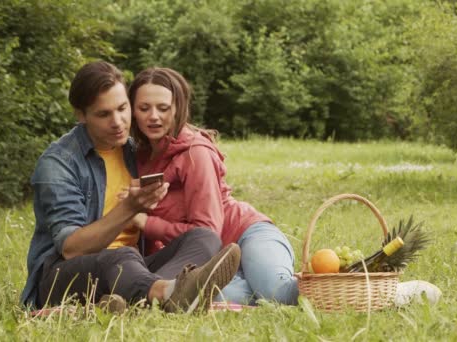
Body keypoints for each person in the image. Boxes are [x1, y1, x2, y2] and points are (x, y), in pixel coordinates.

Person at [20, 61, 241, 313]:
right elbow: (72, 249)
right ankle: (164, 294)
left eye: (123, 108)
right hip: (63, 277)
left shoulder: (134, 150)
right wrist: (130, 207)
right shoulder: (59, 163)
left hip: (132, 269)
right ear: (81, 115)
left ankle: (152, 298)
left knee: (204, 237)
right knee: (121, 255)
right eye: (104, 114)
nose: (118, 122)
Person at [128, 67, 299, 306]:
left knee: (276, 294)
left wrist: (147, 223)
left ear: (178, 108)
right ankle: (247, 280)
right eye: (144, 108)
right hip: (208, 262)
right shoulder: (139, 157)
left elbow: (207, 232)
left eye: (163, 108)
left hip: (244, 235)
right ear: (133, 111)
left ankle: (339, 284)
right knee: (181, 297)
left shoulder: (195, 154)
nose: (153, 116)